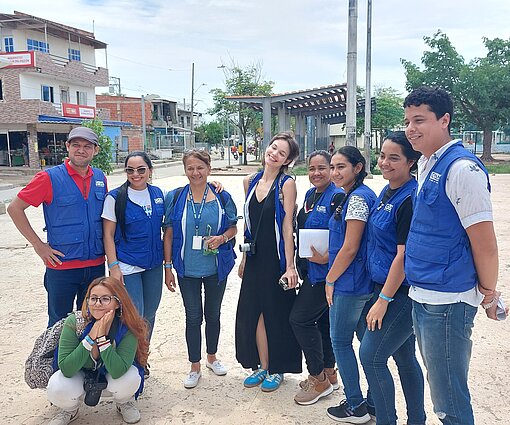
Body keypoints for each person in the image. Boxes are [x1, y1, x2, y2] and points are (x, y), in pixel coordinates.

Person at [403, 86, 503, 425]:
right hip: (425, 293)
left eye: (420, 120)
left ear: (444, 120)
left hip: (447, 300)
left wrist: (488, 295)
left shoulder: (462, 170)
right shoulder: (429, 164)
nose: (411, 129)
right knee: (441, 387)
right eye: (407, 121)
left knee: (449, 399)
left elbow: (485, 243)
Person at [7, 127, 106, 327]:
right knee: (58, 324)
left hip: (95, 264)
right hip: (62, 266)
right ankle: (54, 360)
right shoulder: (48, 178)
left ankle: (87, 359)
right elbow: (15, 208)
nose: (81, 150)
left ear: (95, 150)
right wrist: (38, 245)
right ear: (67, 147)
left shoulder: (99, 178)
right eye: (76, 145)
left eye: (87, 146)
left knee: (93, 320)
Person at [359, 132, 426, 425]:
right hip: (381, 287)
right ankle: (417, 421)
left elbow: (403, 255)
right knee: (404, 358)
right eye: (382, 155)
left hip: (401, 293)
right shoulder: (387, 191)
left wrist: (384, 300)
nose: (384, 163)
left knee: (371, 357)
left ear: (412, 162)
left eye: (394, 158)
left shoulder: (410, 199)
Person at [163, 149, 238, 389]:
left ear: (209, 168)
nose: (195, 173)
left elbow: (233, 228)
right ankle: (194, 366)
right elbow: (169, 234)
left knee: (213, 315)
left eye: (200, 167)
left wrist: (222, 239)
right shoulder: (175, 197)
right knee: (193, 317)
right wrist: (167, 267)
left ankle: (212, 358)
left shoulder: (221, 196)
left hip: (216, 267)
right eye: (190, 168)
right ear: (185, 170)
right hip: (187, 270)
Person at [235, 131, 301, 392]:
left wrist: (290, 265)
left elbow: (287, 226)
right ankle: (263, 365)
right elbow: (248, 225)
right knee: (255, 313)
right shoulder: (249, 181)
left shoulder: (286, 184)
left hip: (275, 258)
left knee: (276, 312)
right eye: (273, 148)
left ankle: (278, 368)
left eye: (281, 153)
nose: (274, 154)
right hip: (254, 257)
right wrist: (243, 258)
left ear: (287, 161)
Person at [46, 276, 148, 425]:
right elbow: (66, 369)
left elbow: (118, 370)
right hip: (78, 373)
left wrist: (101, 339)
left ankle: (123, 402)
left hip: (111, 374)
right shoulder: (75, 322)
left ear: (118, 303)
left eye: (105, 299)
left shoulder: (127, 326)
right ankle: (69, 409)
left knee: (130, 377)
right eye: (93, 298)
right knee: (58, 385)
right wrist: (91, 336)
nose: (98, 304)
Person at [325, 146, 377, 423]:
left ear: (357, 168)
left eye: (341, 166)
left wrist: (330, 279)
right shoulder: (356, 195)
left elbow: (350, 248)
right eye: (333, 166)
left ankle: (355, 405)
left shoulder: (357, 199)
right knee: (363, 343)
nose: (335, 172)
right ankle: (374, 400)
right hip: (362, 281)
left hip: (350, 284)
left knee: (340, 342)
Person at [290, 150, 345, 405]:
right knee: (322, 323)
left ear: (332, 170)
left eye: (322, 168)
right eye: (312, 169)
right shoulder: (311, 195)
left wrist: (329, 258)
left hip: (326, 275)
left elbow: (350, 238)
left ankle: (317, 377)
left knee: (300, 319)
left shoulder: (339, 196)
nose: (316, 173)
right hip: (311, 272)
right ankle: (330, 373)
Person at [102, 151, 164, 364]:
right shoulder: (115, 198)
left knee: (151, 312)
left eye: (141, 169)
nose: (135, 174)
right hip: (128, 265)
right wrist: (114, 267)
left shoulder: (158, 194)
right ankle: (130, 361)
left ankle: (143, 358)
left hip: (153, 265)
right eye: (130, 170)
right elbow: (108, 234)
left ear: (150, 171)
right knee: (134, 315)